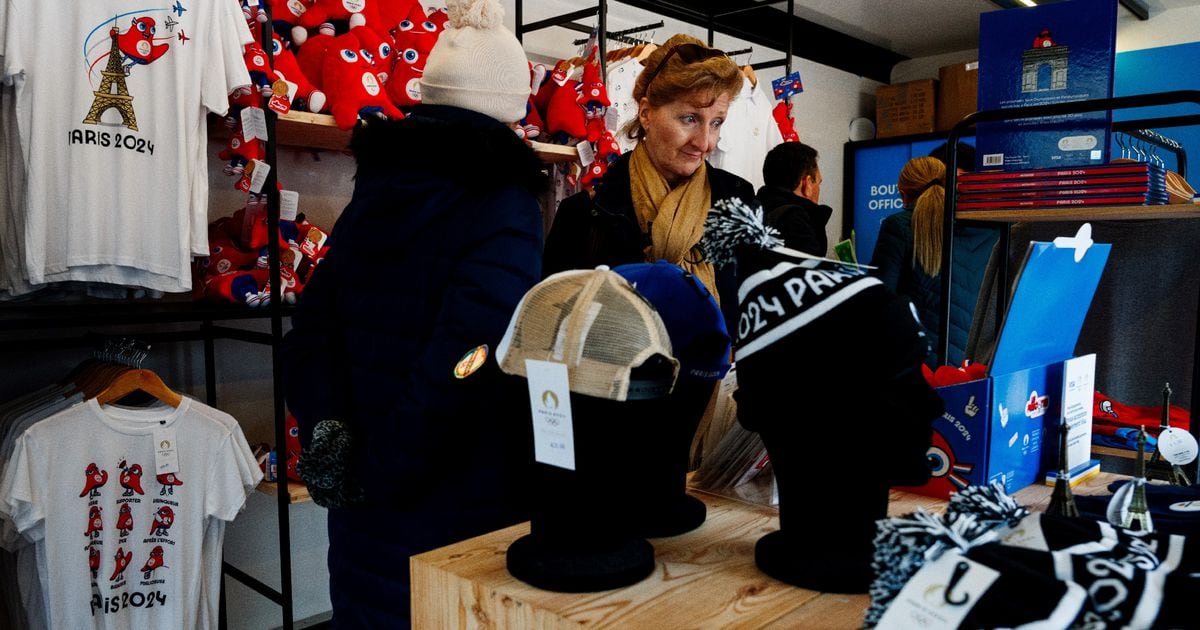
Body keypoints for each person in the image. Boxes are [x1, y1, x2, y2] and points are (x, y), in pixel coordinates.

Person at [281, 0, 545, 626]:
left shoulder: (374, 193)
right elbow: (470, 353)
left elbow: (313, 329)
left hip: (364, 503)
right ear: (510, 107)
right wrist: (390, 462)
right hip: (455, 494)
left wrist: (332, 432)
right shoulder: (505, 202)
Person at [541, 33, 755, 331]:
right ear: (646, 113)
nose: (705, 142)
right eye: (690, 119)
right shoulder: (586, 214)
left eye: (716, 123)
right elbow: (553, 330)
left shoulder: (739, 205)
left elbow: (755, 321)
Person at [870, 151, 999, 369]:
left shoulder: (899, 226)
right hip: (975, 361)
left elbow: (878, 300)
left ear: (903, 195)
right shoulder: (987, 226)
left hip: (919, 361)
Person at [756, 141, 833, 256]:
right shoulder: (796, 224)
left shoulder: (749, 215)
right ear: (807, 184)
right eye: (818, 183)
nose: (818, 189)